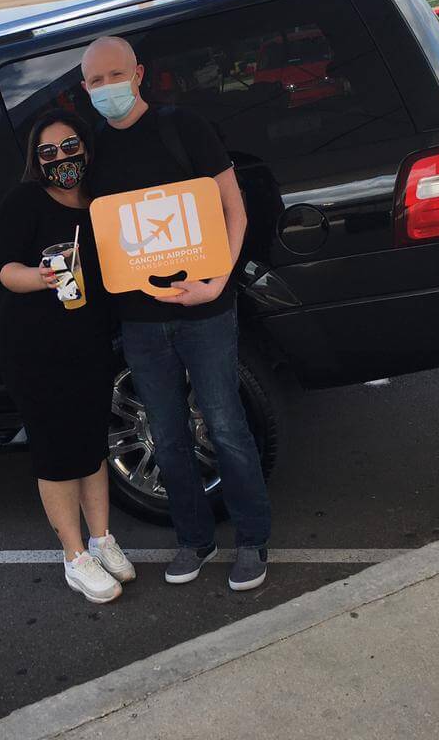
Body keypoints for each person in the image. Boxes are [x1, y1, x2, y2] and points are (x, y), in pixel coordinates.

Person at [82, 35, 272, 592]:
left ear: (138, 73)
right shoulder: (94, 151)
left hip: (206, 311)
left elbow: (233, 212)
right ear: (84, 88)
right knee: (165, 434)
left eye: (115, 76)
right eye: (95, 81)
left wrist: (216, 285)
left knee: (226, 425)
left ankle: (253, 539)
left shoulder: (183, 128)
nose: (106, 88)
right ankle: (194, 539)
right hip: (138, 319)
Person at [0, 110, 136, 604]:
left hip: (89, 341)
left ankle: (102, 539)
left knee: (91, 444)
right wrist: (43, 277)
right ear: (36, 159)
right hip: (35, 345)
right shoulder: (25, 200)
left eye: (69, 147)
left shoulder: (100, 203)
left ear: (85, 149)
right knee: (56, 452)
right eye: (48, 152)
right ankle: (74, 556)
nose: (61, 159)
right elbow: (5, 270)